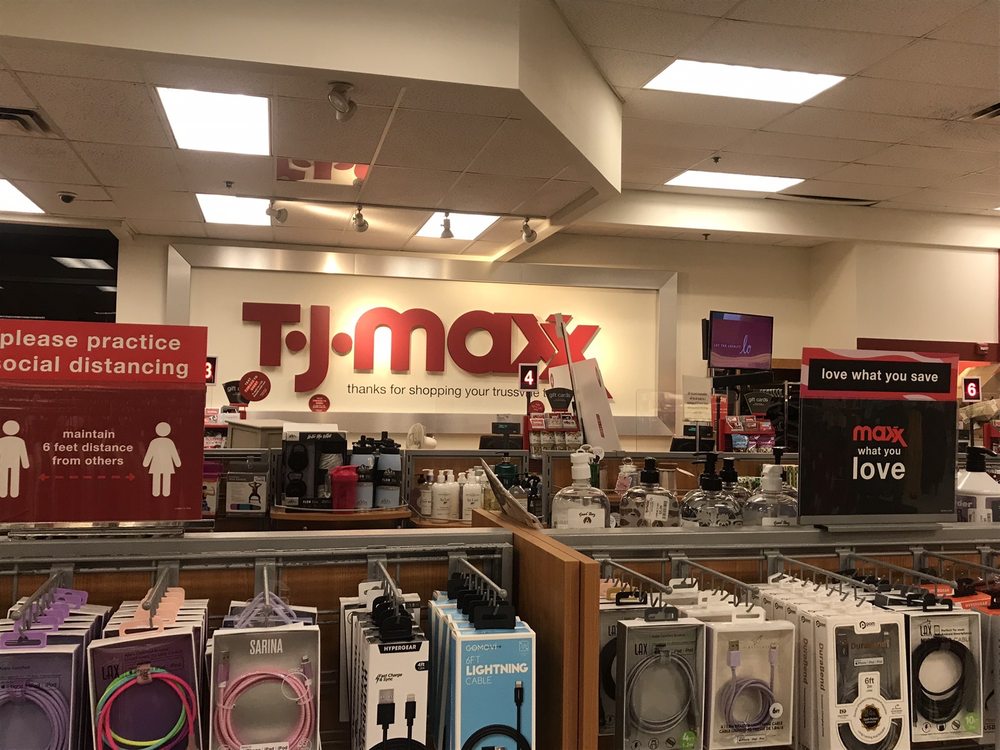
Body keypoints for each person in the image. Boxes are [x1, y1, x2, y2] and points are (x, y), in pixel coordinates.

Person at [142, 422, 181, 497]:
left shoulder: (154, 442)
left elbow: (150, 453)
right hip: (167, 464)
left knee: (156, 477)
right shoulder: (169, 442)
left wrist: (146, 463)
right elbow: (174, 453)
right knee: (166, 477)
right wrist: (177, 463)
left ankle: (155, 492)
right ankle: (166, 492)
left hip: (156, 463)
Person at [0, 420, 29, 499]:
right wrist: (25, 464)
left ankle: (2, 492)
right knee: (15, 476)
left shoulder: (1, 441)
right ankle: (14, 492)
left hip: (3, 462)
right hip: (15, 462)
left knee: (3, 476)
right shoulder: (20, 441)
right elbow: (23, 453)